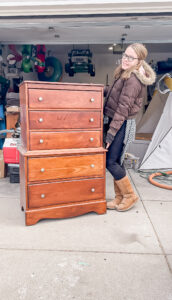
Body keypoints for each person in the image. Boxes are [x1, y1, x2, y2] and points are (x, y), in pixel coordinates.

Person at [104, 43, 156, 212]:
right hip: (117, 121)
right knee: (115, 161)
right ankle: (120, 197)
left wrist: (111, 134)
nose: (125, 60)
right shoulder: (124, 74)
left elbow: (122, 109)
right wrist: (98, 89)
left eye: (130, 57)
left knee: (111, 162)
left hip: (122, 124)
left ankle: (129, 195)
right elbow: (114, 92)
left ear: (139, 61)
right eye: (125, 56)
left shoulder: (133, 79)